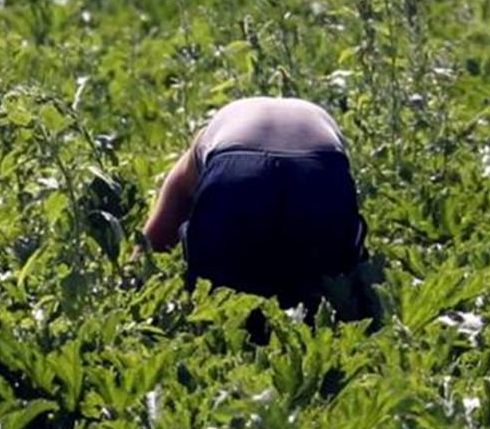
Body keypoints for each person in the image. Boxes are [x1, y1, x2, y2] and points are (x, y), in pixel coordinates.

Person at [143, 97, 366, 307]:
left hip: (236, 168)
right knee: (326, 288)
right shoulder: (317, 116)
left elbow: (156, 237)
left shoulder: (199, 147)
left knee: (220, 300)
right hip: (321, 167)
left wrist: (137, 283)